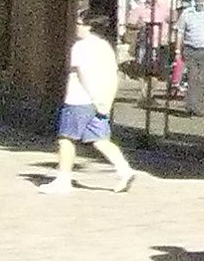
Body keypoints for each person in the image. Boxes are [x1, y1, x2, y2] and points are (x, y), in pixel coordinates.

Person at [48, 18, 140, 194]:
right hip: (100, 101)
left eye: (80, 23)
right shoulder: (105, 47)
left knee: (66, 139)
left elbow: (82, 74)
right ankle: (124, 169)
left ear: (89, 26)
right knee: (99, 139)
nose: (76, 26)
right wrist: (107, 100)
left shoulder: (80, 47)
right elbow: (113, 75)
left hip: (78, 99)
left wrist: (94, 97)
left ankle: (63, 180)